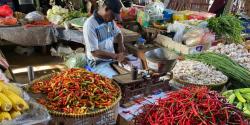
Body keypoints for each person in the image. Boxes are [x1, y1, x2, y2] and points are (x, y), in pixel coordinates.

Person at [83, 0, 126, 78]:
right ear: (106, 9)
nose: (113, 19)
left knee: (134, 73)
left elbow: (119, 33)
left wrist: (121, 44)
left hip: (111, 60)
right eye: (113, 16)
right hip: (98, 63)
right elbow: (95, 52)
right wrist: (116, 56)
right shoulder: (90, 24)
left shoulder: (109, 21)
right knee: (117, 80)